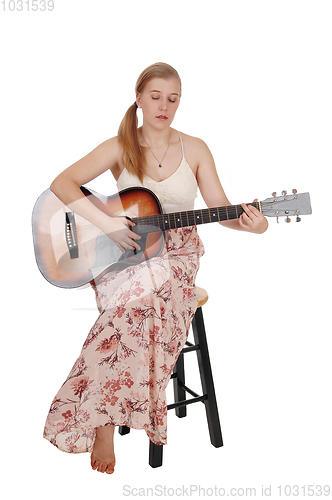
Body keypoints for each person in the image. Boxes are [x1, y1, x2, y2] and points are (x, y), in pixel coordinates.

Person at [43, 62, 268, 475]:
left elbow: (221, 210)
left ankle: (104, 417)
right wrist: (109, 224)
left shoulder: (196, 148)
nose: (164, 105)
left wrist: (252, 223)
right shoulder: (120, 145)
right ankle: (107, 419)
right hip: (126, 255)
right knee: (135, 301)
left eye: (173, 98)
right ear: (139, 98)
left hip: (179, 256)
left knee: (138, 305)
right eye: (155, 96)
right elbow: (62, 183)